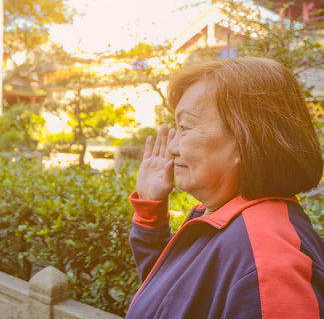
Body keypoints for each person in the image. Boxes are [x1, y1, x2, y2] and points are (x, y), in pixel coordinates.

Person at [125, 57, 324, 319]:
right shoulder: (229, 222)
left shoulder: (269, 261)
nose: (172, 148)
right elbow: (174, 300)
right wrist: (150, 213)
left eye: (185, 127)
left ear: (245, 137)